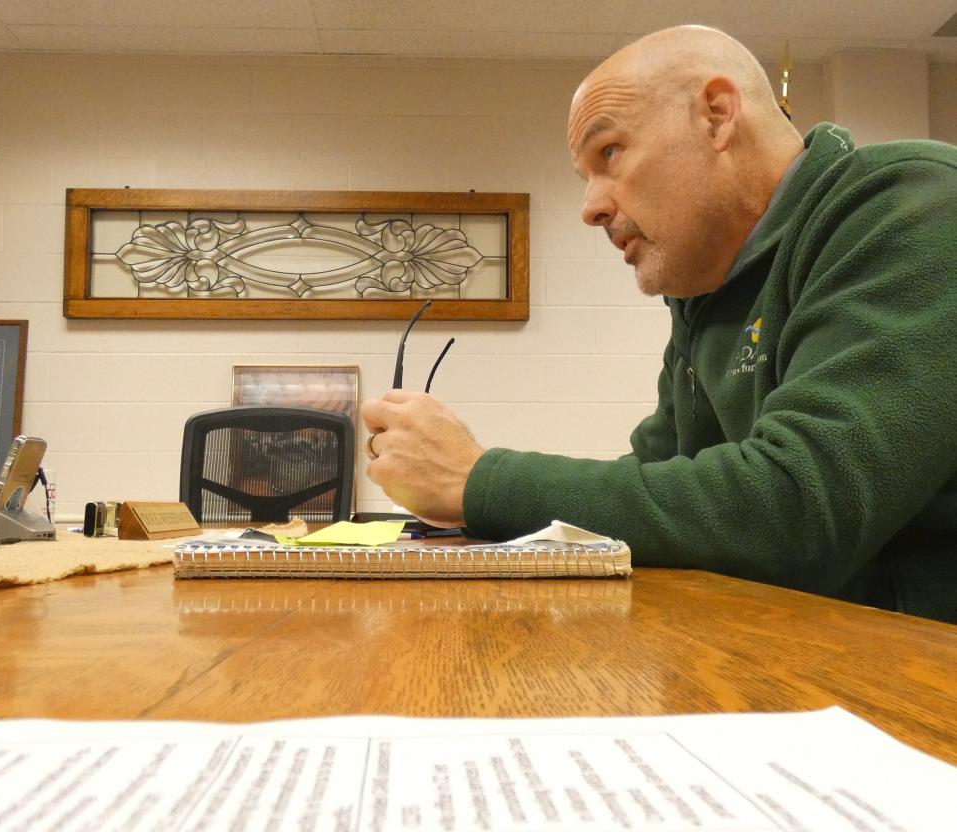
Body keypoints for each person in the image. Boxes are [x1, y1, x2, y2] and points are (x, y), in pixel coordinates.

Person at [362, 25, 957, 623]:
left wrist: (480, 480)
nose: (590, 206)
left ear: (718, 115)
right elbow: (657, 482)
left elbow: (799, 508)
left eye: (610, 153)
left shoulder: (912, 204)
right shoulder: (704, 291)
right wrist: (469, 499)